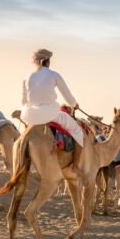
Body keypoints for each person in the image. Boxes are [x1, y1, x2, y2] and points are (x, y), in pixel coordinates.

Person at [21, 48, 84, 176]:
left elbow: (24, 102)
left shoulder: (27, 78)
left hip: (30, 115)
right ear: (47, 61)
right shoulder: (54, 75)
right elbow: (68, 97)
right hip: (50, 113)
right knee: (78, 131)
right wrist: (74, 105)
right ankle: (76, 165)